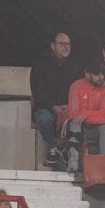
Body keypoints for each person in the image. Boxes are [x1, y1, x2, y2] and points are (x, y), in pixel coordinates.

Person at [30, 32, 80, 165]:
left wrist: (71, 105)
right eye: (62, 44)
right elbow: (38, 91)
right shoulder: (40, 64)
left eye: (68, 44)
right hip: (47, 107)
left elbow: (80, 90)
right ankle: (52, 147)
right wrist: (54, 107)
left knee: (80, 119)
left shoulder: (75, 65)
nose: (66, 47)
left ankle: (69, 152)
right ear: (52, 45)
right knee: (44, 118)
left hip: (69, 107)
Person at [61, 60, 105, 172]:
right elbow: (74, 115)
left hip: (94, 127)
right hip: (79, 125)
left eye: (102, 74)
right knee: (75, 123)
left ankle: (104, 164)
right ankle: (73, 163)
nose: (101, 77)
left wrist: (85, 114)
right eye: (96, 74)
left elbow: (104, 113)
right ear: (87, 74)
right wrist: (97, 117)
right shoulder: (76, 86)